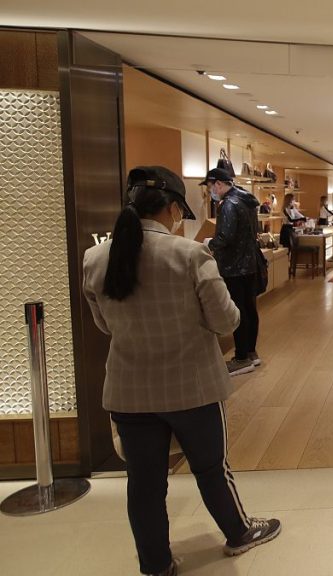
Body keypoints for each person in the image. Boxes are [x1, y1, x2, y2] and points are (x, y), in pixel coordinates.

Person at [82, 166, 281, 576]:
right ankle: (239, 532)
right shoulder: (189, 254)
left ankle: (155, 563)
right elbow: (227, 321)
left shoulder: (96, 257)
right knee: (211, 467)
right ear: (172, 208)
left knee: (143, 481)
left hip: (128, 389)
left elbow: (104, 324)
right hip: (193, 385)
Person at [204, 167, 262, 375]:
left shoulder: (229, 204)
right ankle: (251, 352)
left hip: (234, 266)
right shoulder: (247, 202)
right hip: (249, 263)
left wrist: (209, 243)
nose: (210, 192)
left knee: (238, 311)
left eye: (210, 187)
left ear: (218, 184)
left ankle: (241, 357)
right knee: (249, 308)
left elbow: (225, 237)